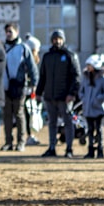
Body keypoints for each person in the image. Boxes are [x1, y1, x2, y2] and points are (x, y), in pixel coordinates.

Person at [35, 29, 80, 158]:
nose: (57, 41)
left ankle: (69, 148)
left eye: (59, 39)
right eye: (55, 39)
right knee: (52, 123)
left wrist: (72, 93)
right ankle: (52, 147)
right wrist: (39, 92)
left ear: (63, 40)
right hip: (50, 96)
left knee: (68, 122)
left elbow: (76, 77)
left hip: (65, 97)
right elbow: (42, 76)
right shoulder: (47, 56)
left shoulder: (70, 55)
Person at [2, 23, 38, 151]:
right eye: (6, 31)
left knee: (19, 114)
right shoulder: (2, 47)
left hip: (20, 86)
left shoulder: (23, 48)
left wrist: (34, 83)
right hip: (5, 86)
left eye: (10, 31)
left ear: (16, 32)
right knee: (7, 115)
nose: (8, 34)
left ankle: (21, 142)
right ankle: (8, 142)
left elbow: (32, 68)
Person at [80, 53, 104, 158]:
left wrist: (98, 99)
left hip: (98, 110)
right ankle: (90, 150)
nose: (88, 67)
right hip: (88, 109)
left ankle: (100, 150)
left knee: (99, 130)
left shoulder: (102, 79)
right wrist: (83, 99)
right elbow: (81, 91)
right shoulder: (85, 78)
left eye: (90, 65)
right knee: (89, 130)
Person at [22, 33, 43, 146]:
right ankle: (29, 135)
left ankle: (30, 134)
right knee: (28, 113)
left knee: (30, 113)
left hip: (31, 90)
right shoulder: (28, 60)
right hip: (28, 90)